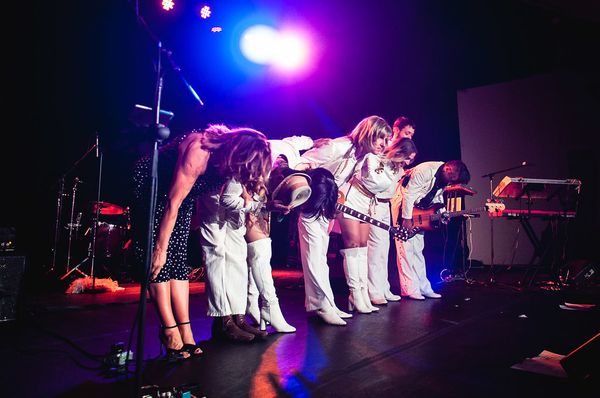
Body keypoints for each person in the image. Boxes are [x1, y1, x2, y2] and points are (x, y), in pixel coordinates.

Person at [131, 124, 272, 357]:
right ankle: (169, 329)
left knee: (177, 261)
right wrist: (159, 248)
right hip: (153, 187)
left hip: (183, 197)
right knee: (160, 261)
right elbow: (172, 203)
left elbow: (247, 192)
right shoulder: (199, 150)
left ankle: (185, 331)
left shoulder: (231, 161)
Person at [294, 115, 392, 325]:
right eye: (381, 139)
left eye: (387, 140)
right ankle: (321, 306)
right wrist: (310, 190)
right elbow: (298, 164)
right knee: (314, 256)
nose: (384, 145)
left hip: (327, 208)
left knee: (320, 256)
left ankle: (326, 304)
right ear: (368, 134)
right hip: (312, 205)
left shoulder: (360, 156)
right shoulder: (337, 147)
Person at [337, 138, 418, 313]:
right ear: (399, 152)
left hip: (368, 202)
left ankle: (361, 294)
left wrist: (394, 169)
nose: (408, 162)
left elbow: (382, 185)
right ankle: (356, 293)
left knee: (363, 249)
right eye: (407, 157)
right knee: (353, 246)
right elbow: (373, 182)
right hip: (353, 198)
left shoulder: (396, 168)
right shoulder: (373, 158)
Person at [245, 136, 315, 333]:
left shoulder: (290, 150)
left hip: (260, 198)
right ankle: (268, 307)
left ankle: (252, 303)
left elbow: (304, 140)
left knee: (259, 251)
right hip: (241, 195)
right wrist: (265, 204)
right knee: (260, 251)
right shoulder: (257, 161)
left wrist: (316, 142)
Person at [392, 160, 470, 299]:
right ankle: (410, 289)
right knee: (406, 249)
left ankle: (423, 287)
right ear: (448, 169)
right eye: (452, 179)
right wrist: (407, 218)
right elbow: (409, 194)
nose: (451, 183)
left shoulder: (445, 178)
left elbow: (437, 196)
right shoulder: (425, 170)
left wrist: (443, 212)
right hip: (403, 205)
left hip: (419, 209)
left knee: (418, 250)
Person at [367, 116, 417, 305]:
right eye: (407, 133)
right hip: (374, 203)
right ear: (396, 130)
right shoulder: (382, 152)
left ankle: (383, 287)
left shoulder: (400, 160)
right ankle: (374, 291)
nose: (410, 137)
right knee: (375, 249)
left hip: (386, 204)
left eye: (412, 134)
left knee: (383, 248)